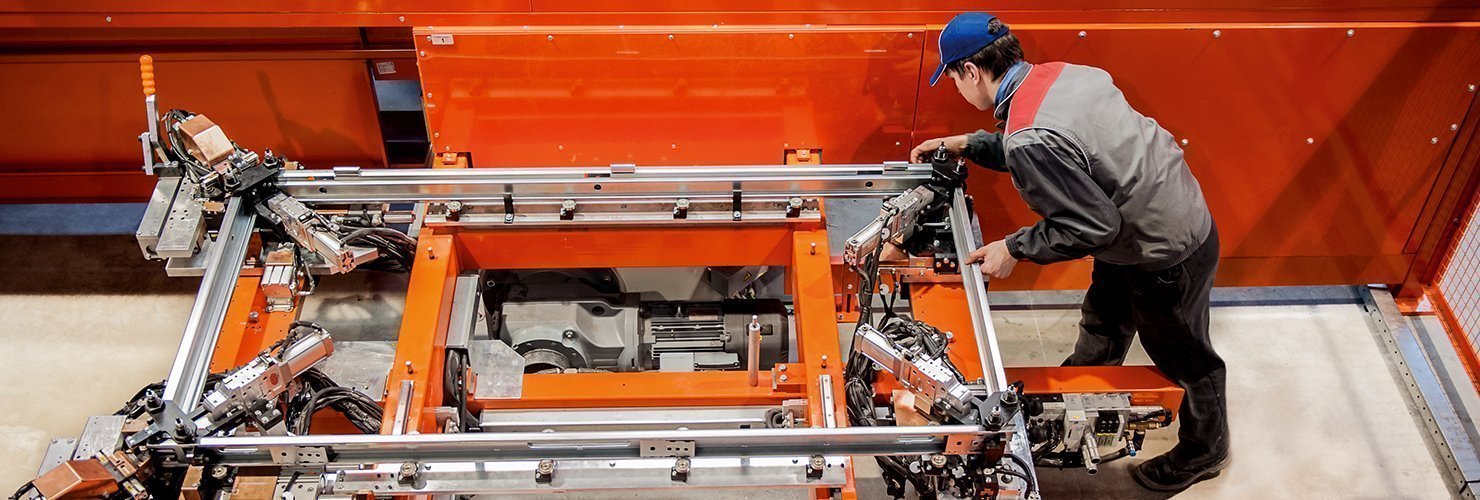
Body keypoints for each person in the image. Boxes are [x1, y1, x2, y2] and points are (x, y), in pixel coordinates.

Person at [909, 12, 1229, 491]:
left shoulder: (1029, 135)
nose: (956, 88)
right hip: (1153, 219)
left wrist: (1013, 248)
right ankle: (1084, 390)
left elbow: (1092, 224)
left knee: (1186, 356)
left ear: (971, 71)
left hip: (1164, 251)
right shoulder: (1061, 75)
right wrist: (969, 144)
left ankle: (1206, 451)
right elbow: (1058, 148)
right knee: (1104, 320)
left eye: (952, 78)